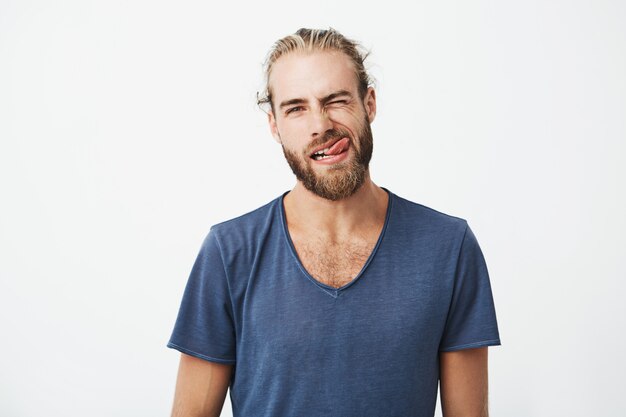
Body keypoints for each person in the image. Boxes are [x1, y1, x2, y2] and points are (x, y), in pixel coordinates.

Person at [167, 28, 501, 417]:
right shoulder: (229, 252)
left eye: (336, 101)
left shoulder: (449, 247)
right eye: (296, 108)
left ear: (369, 104)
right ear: (274, 125)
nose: (320, 124)